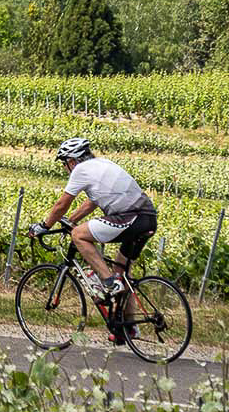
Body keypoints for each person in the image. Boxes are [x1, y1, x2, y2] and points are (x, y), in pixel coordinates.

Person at [29, 137, 157, 338]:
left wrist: (44, 226)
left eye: (64, 164)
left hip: (129, 217)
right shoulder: (102, 164)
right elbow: (92, 202)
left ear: (72, 161)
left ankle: (107, 281)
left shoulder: (81, 170)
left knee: (79, 235)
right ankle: (129, 327)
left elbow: (61, 203)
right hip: (147, 218)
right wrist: (69, 220)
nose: (65, 168)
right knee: (122, 274)